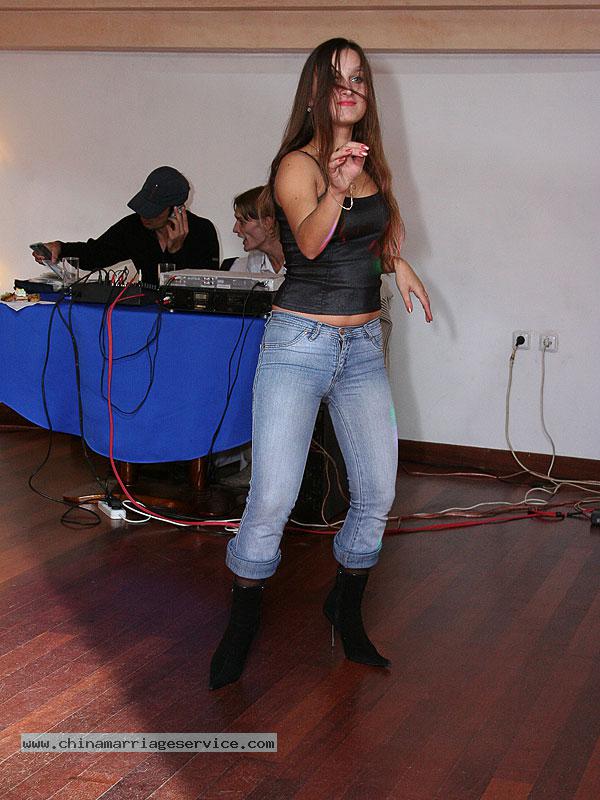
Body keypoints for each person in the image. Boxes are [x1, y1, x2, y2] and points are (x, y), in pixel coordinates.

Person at [209, 38, 432, 691]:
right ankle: (241, 621)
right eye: (337, 78)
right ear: (314, 92)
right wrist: (333, 187)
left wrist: (398, 262)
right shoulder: (297, 165)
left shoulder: (371, 164)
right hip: (298, 345)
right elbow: (308, 242)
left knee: (377, 493)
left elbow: (369, 237)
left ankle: (346, 608)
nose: (350, 88)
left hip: (361, 348)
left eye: (359, 77)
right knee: (272, 498)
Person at [31, 166, 219, 287]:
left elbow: (203, 290)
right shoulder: (133, 226)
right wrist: (60, 248)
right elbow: (95, 254)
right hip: (144, 318)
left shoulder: (203, 232)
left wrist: (176, 252)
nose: (144, 216)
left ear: (177, 210)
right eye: (142, 208)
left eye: (153, 211)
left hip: (188, 324)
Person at [223, 185, 285, 275]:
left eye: (242, 222)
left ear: (267, 223)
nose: (235, 229)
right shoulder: (252, 263)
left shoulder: (302, 263)